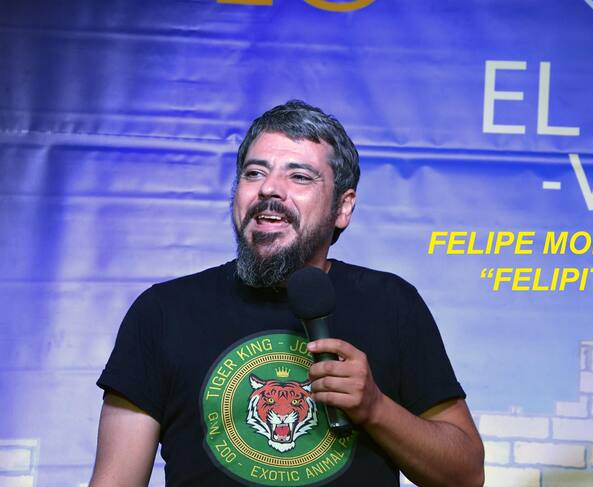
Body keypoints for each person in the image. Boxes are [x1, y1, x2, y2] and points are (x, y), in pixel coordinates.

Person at [90, 100, 484, 487]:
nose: (269, 189)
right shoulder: (163, 312)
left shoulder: (391, 304)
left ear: (343, 207)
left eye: (299, 177)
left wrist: (376, 408)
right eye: (254, 173)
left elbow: (466, 476)